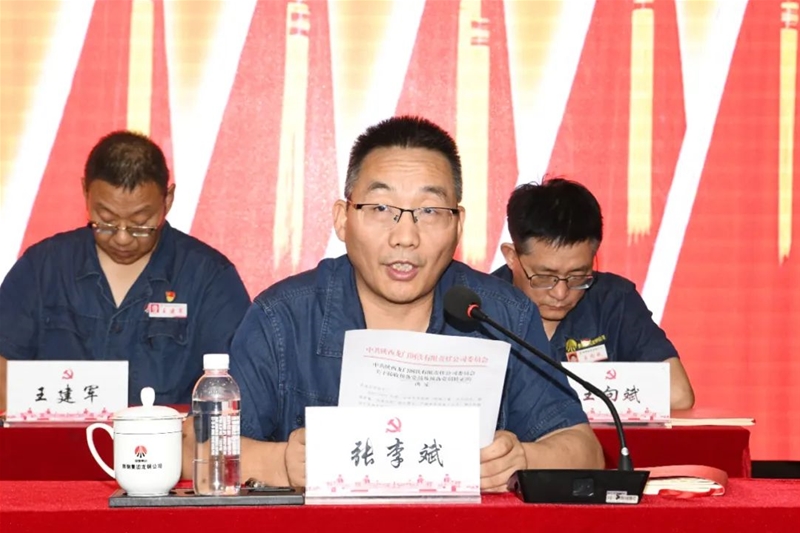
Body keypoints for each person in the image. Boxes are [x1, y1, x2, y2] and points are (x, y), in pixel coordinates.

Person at [191, 116, 603, 491]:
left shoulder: (502, 313)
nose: (405, 236)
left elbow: (585, 450)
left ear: (458, 224)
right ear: (342, 219)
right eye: (381, 208)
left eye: (429, 210)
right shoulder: (283, 317)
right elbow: (198, 446)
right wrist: (282, 463)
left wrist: (522, 460)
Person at [0, 131, 250, 408]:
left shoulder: (209, 278)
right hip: (55, 436)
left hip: (169, 436)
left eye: (140, 223)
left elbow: (242, 384)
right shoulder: (43, 268)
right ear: (85, 192)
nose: (122, 238)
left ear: (167, 200)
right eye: (105, 220)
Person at [493, 177, 695, 409]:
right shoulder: (477, 306)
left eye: (577, 276)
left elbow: (678, 394)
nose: (560, 293)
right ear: (511, 256)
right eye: (545, 277)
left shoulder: (614, 300)